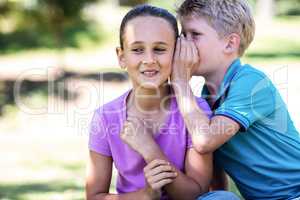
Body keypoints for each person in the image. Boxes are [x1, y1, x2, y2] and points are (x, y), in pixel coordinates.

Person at [85, 4, 239, 200]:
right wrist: (146, 194)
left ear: (177, 53)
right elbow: (94, 196)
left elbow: (196, 193)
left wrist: (150, 149)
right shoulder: (106, 117)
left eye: (159, 49)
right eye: (138, 49)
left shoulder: (195, 111)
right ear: (122, 57)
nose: (149, 59)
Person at [171, 0, 300, 199]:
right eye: (183, 34)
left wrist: (179, 80)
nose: (183, 43)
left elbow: (205, 141)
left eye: (194, 35)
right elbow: (216, 175)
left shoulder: (251, 82)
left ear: (230, 43)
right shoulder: (207, 96)